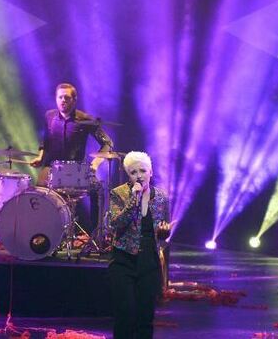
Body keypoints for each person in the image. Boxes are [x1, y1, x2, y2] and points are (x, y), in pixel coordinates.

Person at [30, 82, 114, 232]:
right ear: (56, 99)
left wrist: (95, 164)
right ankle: (41, 231)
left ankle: (94, 234)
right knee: (39, 193)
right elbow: (45, 140)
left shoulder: (85, 119)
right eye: (60, 97)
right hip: (51, 166)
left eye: (67, 98)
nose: (63, 100)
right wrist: (40, 156)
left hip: (75, 169)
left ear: (74, 100)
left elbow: (108, 143)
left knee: (97, 191)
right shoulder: (49, 116)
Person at [108, 151, 172, 339]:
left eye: (142, 170)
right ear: (128, 175)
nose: (138, 175)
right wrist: (133, 201)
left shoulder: (161, 197)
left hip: (148, 261)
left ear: (150, 172)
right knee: (125, 314)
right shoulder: (118, 194)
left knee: (145, 317)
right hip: (123, 260)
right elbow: (116, 223)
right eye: (133, 172)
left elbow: (162, 235)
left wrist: (164, 232)